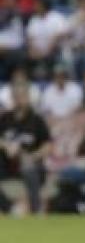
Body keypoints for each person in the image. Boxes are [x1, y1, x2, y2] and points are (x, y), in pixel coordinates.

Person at [0, 82, 51, 214]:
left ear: (28, 98)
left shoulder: (36, 120)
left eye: (22, 96)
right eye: (16, 96)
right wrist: (6, 145)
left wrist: (33, 156)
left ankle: (36, 209)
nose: (19, 99)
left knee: (28, 167)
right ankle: (9, 208)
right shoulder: (5, 118)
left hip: (31, 163)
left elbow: (48, 145)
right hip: (8, 163)